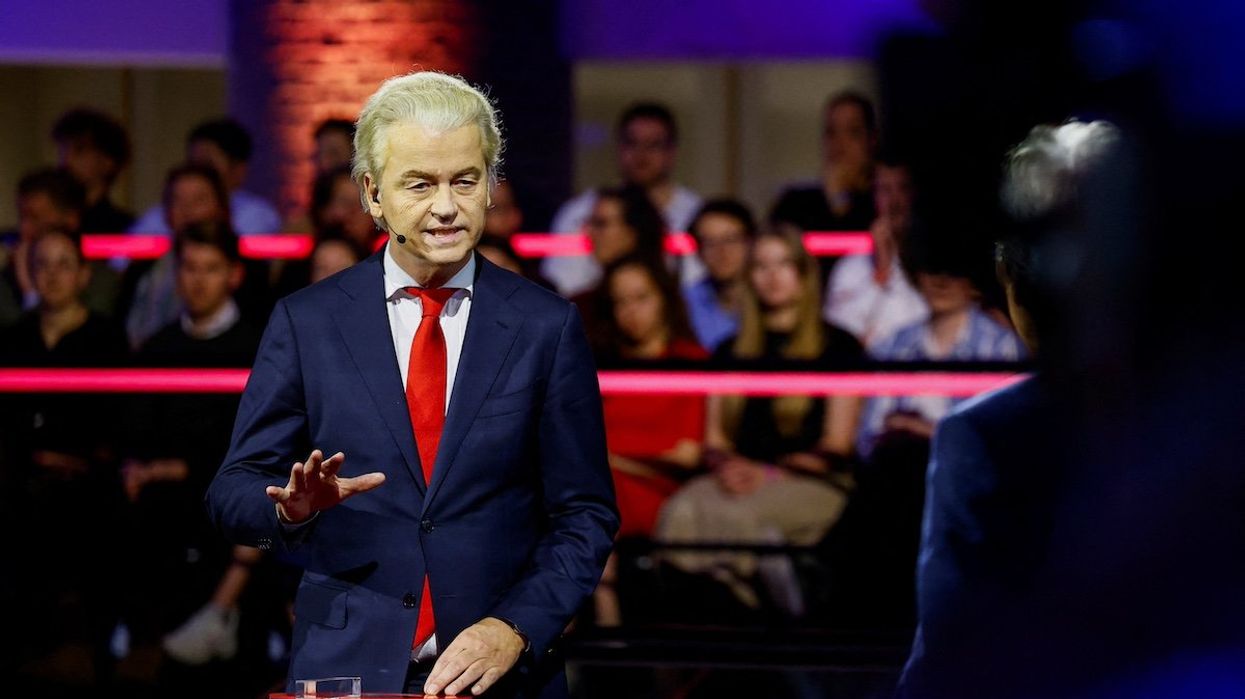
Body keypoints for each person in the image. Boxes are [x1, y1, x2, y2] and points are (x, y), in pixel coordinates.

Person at [205, 71, 618, 697]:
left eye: (465, 181)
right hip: (346, 662)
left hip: (501, 670)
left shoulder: (546, 326)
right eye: (420, 184)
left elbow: (585, 514)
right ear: (373, 194)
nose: (447, 206)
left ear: (490, 187)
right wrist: (288, 510)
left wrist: (515, 627)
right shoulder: (307, 321)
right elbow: (231, 492)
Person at [656, 227, 863, 616]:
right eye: (761, 266)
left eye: (784, 264)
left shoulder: (840, 346)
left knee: (740, 519)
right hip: (735, 475)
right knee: (679, 511)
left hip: (812, 479)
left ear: (804, 273)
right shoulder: (729, 350)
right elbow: (714, 440)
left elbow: (837, 446)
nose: (772, 275)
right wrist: (729, 466)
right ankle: (694, 640)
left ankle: (778, 637)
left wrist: (767, 473)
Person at [0, 227, 128, 693]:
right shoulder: (12, 338)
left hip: (87, 478)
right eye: (41, 265)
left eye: (62, 264)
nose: (51, 275)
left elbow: (112, 424)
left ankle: (91, 647)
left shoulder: (106, 338)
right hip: (19, 477)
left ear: (83, 273)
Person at [542, 103, 704, 297]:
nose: (641, 154)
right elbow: (561, 286)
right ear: (618, 147)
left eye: (654, 144)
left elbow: (700, 289)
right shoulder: (580, 212)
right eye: (631, 142)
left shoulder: (696, 214)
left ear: (672, 152)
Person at [822, 156, 928, 348]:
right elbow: (841, 338)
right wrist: (881, 273)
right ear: (874, 197)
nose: (895, 200)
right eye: (885, 190)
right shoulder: (848, 268)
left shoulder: (933, 265)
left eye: (903, 188)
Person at [123, 163, 232, 348]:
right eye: (178, 200)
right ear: (166, 212)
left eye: (198, 200)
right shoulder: (141, 268)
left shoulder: (249, 272)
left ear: (221, 207)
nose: (187, 210)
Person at [129, 118, 281, 236]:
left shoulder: (256, 215)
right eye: (193, 163)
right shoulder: (161, 214)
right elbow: (120, 262)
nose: (198, 172)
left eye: (207, 165)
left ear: (238, 171)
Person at [770, 91, 878, 234]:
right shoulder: (795, 202)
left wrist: (838, 199)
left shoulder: (884, 199)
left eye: (853, 132)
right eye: (831, 132)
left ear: (872, 140)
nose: (840, 144)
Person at [681, 198, 755, 352]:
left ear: (751, 243)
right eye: (710, 243)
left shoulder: (772, 296)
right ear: (698, 252)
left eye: (731, 240)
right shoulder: (683, 304)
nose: (722, 252)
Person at [51, 107, 135, 234]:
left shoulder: (126, 230)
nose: (66, 161)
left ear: (108, 162)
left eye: (79, 150)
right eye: (63, 152)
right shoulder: (52, 224)